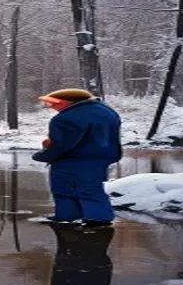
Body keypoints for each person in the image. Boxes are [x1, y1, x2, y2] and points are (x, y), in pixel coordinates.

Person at [32, 88, 122, 223]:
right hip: (101, 159)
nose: (51, 107)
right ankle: (97, 218)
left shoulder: (65, 119)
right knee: (92, 189)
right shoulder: (108, 112)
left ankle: (74, 218)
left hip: (71, 160)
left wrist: (44, 154)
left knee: (64, 190)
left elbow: (61, 145)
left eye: (54, 103)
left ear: (68, 102)